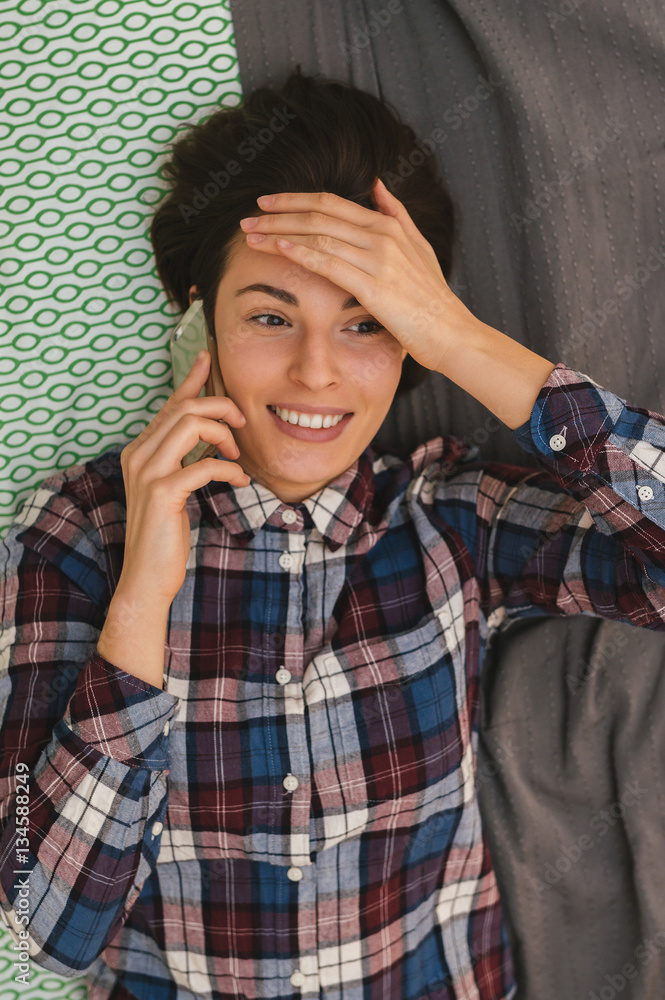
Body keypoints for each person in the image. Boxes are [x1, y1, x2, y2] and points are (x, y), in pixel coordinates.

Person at [0, 64, 664, 1000]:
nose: (317, 373)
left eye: (366, 325)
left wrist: (463, 339)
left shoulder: (452, 516)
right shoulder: (76, 532)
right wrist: (140, 601)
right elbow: (47, 922)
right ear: (201, 320)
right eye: (271, 315)